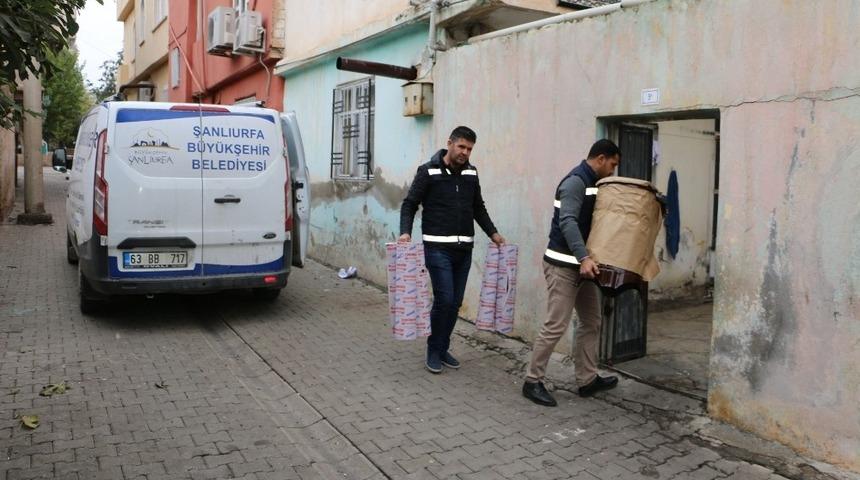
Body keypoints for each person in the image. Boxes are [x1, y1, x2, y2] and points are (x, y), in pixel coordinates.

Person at [522, 139, 622, 406]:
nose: (613, 170)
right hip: (562, 266)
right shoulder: (575, 182)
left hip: (583, 268)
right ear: (600, 158)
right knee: (555, 326)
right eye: (612, 164)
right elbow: (567, 221)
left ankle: (587, 380)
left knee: (592, 321)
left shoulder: (595, 184)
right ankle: (532, 381)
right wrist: (584, 257)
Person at [399, 126, 505, 374]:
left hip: (464, 249)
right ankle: (433, 349)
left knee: (455, 303)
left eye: (469, 149)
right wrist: (405, 231)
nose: (465, 152)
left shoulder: (471, 173)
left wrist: (493, 233)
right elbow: (410, 203)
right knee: (444, 299)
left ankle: (443, 346)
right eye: (461, 147)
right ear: (450, 143)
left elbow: (477, 207)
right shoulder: (428, 171)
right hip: (437, 248)